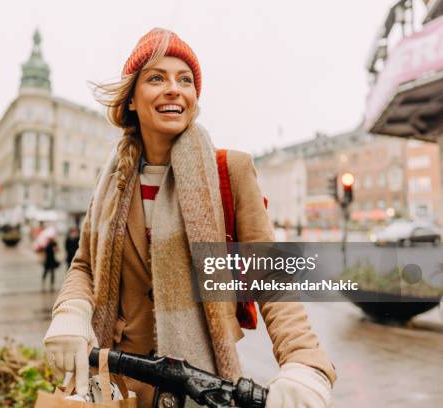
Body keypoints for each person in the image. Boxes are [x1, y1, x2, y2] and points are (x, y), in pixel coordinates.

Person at [44, 28, 336, 407]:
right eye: (156, 78)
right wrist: (71, 312)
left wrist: (303, 362)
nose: (174, 89)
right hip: (117, 386)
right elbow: (85, 264)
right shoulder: (110, 182)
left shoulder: (229, 171)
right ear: (131, 99)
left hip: (203, 389)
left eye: (185, 80)